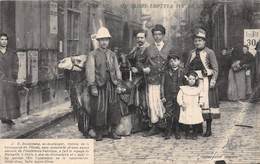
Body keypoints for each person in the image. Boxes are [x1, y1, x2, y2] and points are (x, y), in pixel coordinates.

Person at [86, 27, 123, 141]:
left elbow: (117, 69)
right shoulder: (93, 54)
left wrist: (119, 84)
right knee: (99, 109)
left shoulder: (112, 54)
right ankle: (99, 132)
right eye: (101, 40)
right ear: (98, 41)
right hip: (99, 85)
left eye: (106, 40)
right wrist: (92, 86)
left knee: (113, 107)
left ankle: (112, 131)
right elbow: (90, 70)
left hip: (111, 84)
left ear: (108, 41)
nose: (104, 42)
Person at [185, 28, 219, 137]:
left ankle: (208, 129)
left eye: (200, 40)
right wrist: (186, 77)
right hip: (194, 81)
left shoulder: (210, 52)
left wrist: (212, 79)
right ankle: (197, 127)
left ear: (204, 41)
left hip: (205, 81)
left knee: (206, 103)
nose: (197, 43)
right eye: (196, 41)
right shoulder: (191, 53)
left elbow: (215, 69)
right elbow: (187, 67)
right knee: (195, 103)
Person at [142, 24, 173, 137]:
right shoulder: (148, 49)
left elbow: (175, 61)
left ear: (163, 35)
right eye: (155, 34)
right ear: (153, 36)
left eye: (160, 34)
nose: (157, 37)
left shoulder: (169, 48)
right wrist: (144, 68)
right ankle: (154, 126)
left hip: (166, 80)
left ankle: (166, 126)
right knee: (153, 102)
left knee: (165, 102)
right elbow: (140, 61)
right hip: (153, 80)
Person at [127, 30, 150, 132]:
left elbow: (151, 64)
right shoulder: (135, 49)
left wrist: (139, 69)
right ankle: (137, 124)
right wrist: (131, 67)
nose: (140, 40)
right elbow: (129, 59)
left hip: (146, 78)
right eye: (138, 38)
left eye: (142, 38)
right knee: (136, 100)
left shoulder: (149, 49)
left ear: (145, 38)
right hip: (136, 77)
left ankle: (146, 124)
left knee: (144, 100)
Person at [161, 52, 184, 140]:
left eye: (175, 60)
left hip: (178, 96)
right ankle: (168, 131)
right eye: (171, 61)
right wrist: (162, 96)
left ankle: (177, 131)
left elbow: (185, 85)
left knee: (177, 113)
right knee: (168, 114)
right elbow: (162, 84)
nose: (173, 63)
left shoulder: (182, 71)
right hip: (168, 96)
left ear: (179, 61)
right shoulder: (166, 72)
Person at [0, 33, 20, 125]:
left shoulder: (12, 52)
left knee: (10, 99)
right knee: (1, 98)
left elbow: (16, 64)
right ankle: (2, 117)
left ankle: (9, 118)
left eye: (5, 39)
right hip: (0, 80)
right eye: (2, 39)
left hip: (10, 79)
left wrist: (14, 75)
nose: (4, 41)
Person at [177, 71, 204, 140]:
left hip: (195, 106)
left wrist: (200, 103)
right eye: (190, 79)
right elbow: (179, 97)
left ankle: (195, 134)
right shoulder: (183, 89)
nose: (191, 81)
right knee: (186, 120)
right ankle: (187, 133)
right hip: (186, 106)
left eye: (193, 79)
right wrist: (181, 103)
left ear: (195, 80)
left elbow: (201, 96)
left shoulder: (198, 89)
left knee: (195, 120)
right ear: (187, 80)